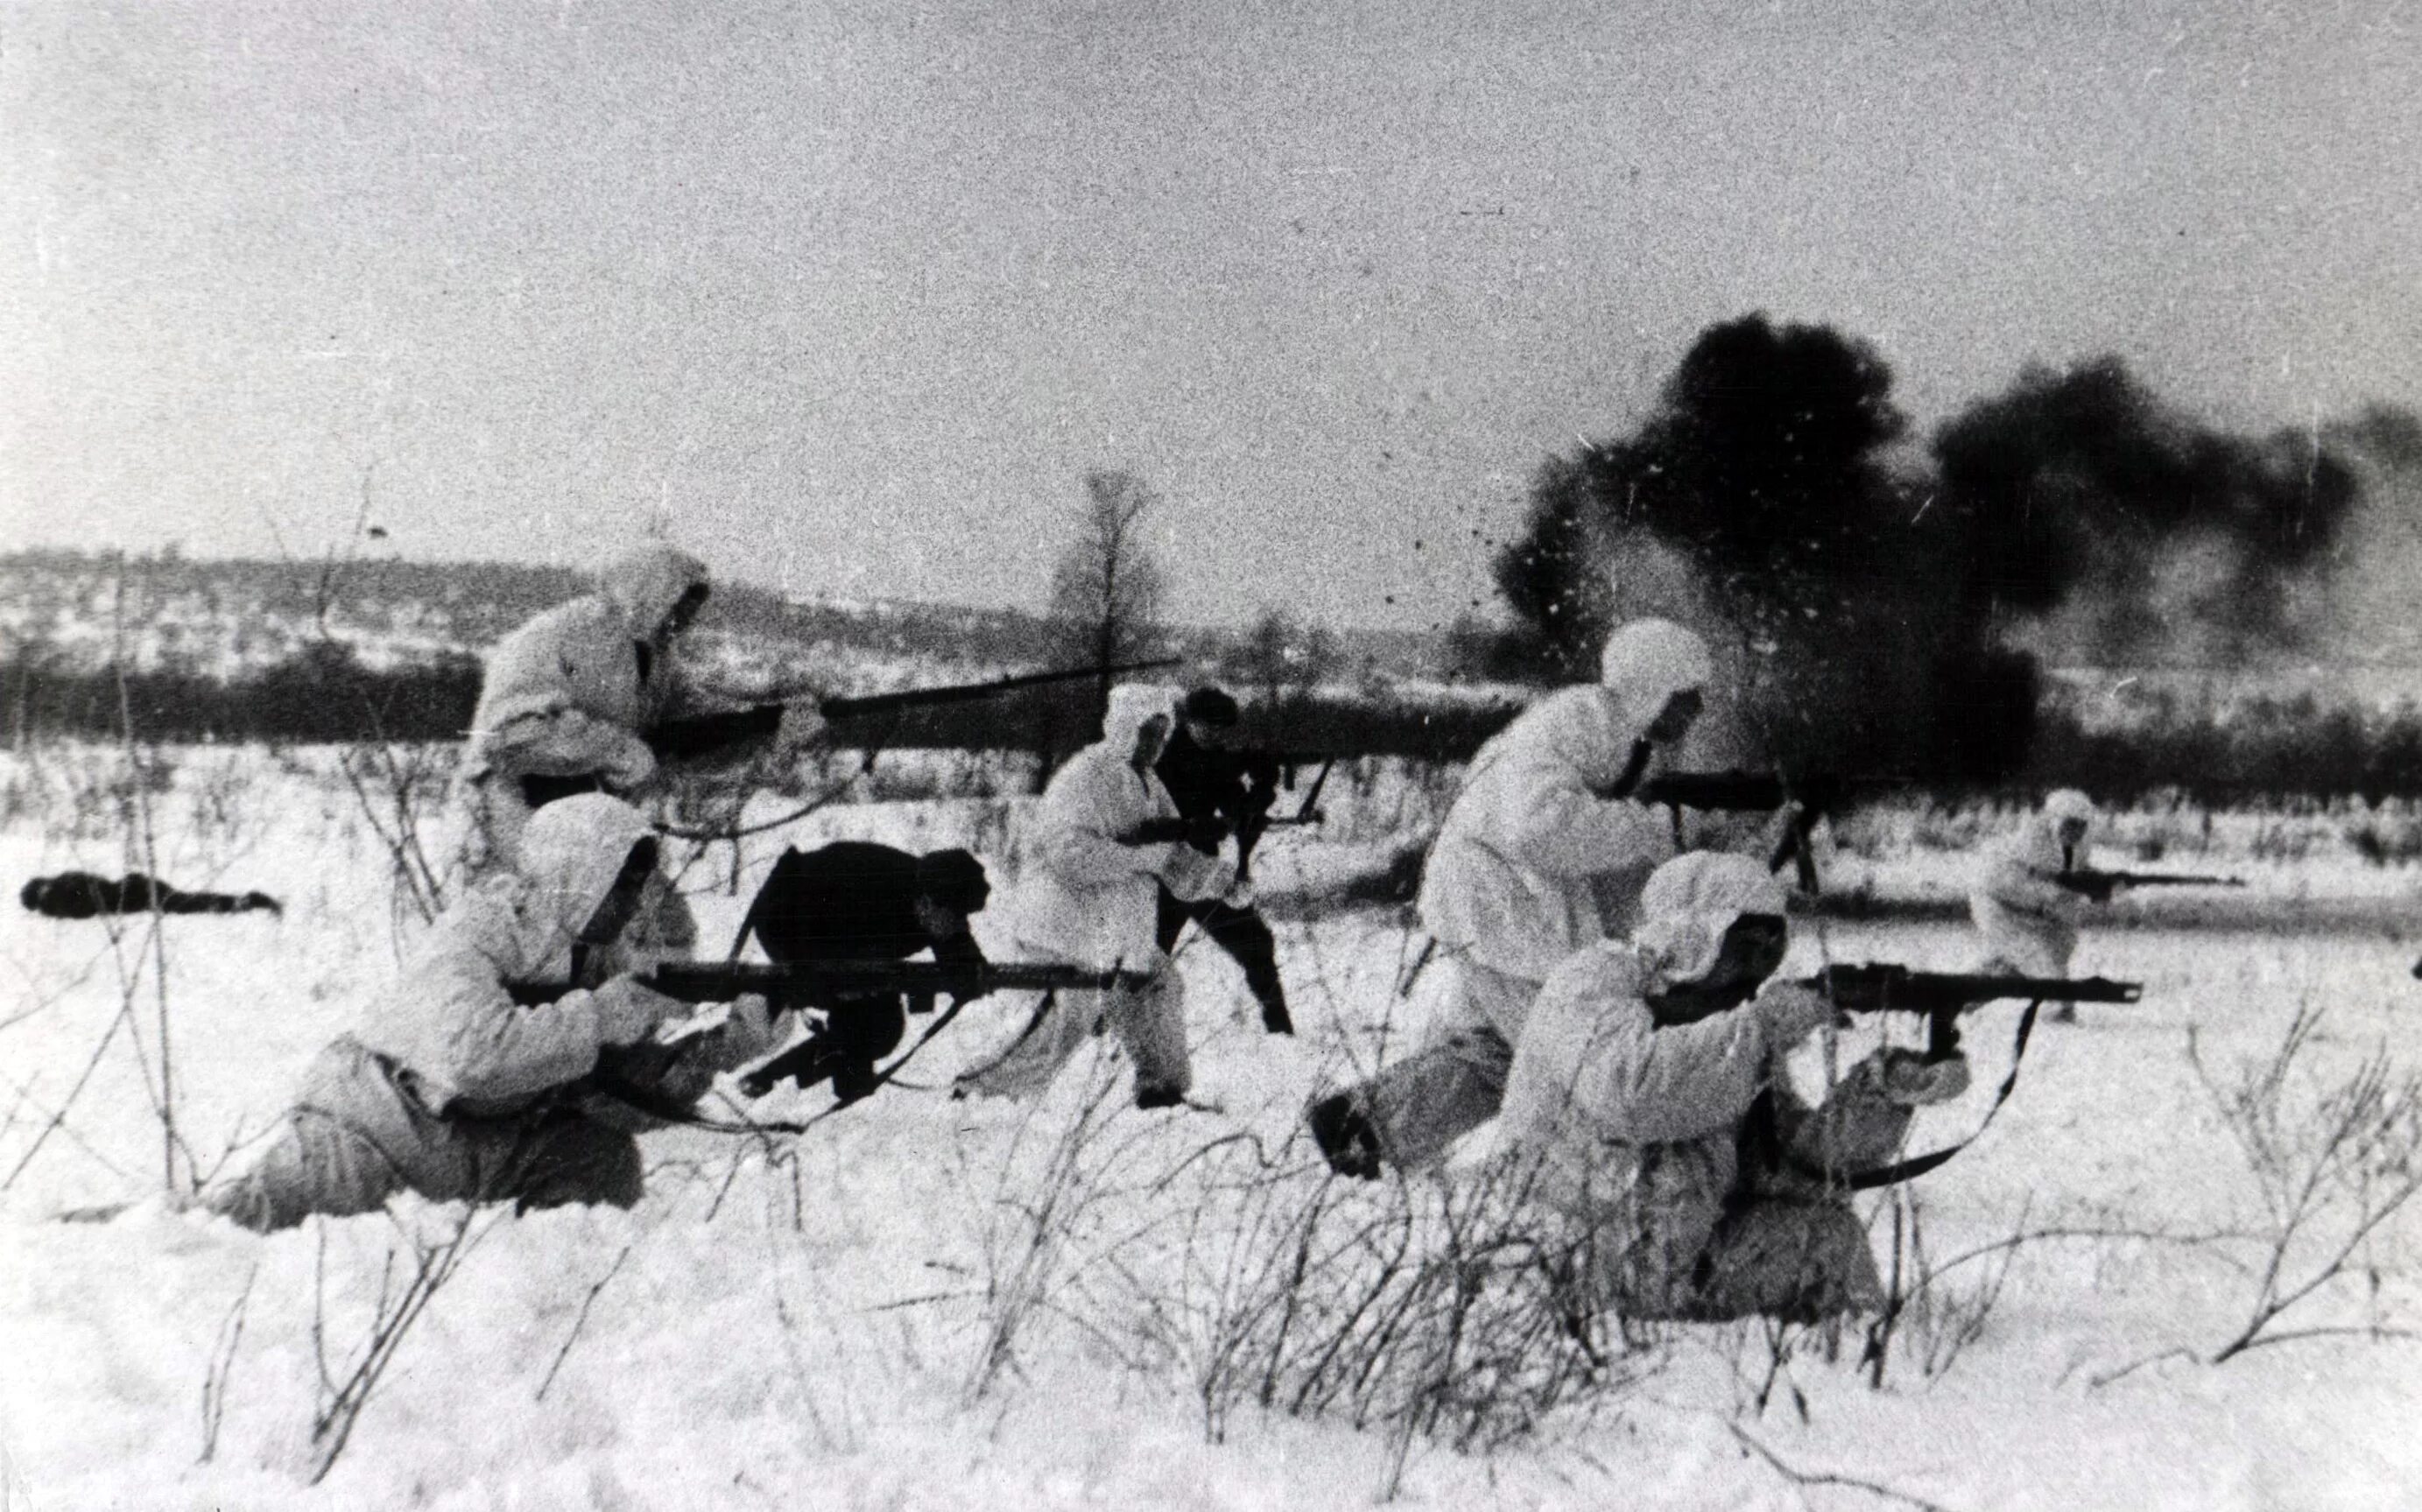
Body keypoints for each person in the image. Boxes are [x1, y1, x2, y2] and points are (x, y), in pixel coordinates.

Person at [199, 795, 782, 1231]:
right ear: (580, 875)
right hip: (370, 1129)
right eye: (621, 884)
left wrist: (721, 1048)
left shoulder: (592, 959)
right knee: (215, 1235)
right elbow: (472, 1057)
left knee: (601, 1158)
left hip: (469, 1148)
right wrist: (598, 1017)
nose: (633, 902)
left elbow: (613, 1096)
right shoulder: (481, 928)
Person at [1307, 618, 1717, 1178]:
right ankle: (1569, 1182)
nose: (1698, 710)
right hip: (1502, 907)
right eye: (1687, 694)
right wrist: (1658, 830)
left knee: (1500, 1055)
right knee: (1574, 1055)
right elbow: (1539, 828)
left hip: (1498, 904)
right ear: (1653, 688)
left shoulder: (1601, 728)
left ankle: (1361, 1127)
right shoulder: (1582, 724)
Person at [1499, 851, 1971, 1325]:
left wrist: (1885, 1091)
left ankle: (1862, 1354)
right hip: (1578, 1256)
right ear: (1693, 933)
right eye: (1745, 947)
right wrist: (1759, 1030)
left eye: (1772, 949)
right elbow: (1632, 1093)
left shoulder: (1731, 1027)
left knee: (1835, 1243)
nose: (1758, 968)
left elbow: (1791, 1160)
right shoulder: (1591, 982)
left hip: (1677, 1252)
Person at [456, 542, 824, 884]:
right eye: (678, 608)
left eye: (689, 612)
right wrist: (619, 751)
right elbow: (509, 733)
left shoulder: (652, 656)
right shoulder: (564, 636)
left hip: (586, 825)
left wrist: (772, 722)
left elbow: (690, 720)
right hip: (510, 815)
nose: (685, 623)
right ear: (651, 594)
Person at [953, 684, 1233, 1110]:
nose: (1154, 745)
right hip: (1060, 923)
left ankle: (1162, 1088)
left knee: (1157, 985)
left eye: (1161, 735)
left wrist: (1223, 882)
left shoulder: (1149, 785)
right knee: (1071, 1015)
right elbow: (1072, 856)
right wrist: (1145, 857)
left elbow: (1173, 858)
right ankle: (977, 1089)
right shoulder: (1086, 776)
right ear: (1123, 728)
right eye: (1146, 733)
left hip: (1111, 929)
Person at [733, 841, 994, 1104]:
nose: (955, 924)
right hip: (790, 919)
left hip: (841, 935)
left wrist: (969, 971)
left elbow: (954, 944)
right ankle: (825, 1090)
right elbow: (816, 952)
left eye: (961, 917)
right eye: (950, 915)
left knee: (879, 1028)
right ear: (927, 900)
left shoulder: (936, 897)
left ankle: (773, 1078)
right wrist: (821, 984)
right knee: (866, 1022)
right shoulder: (872, 894)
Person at [1153, 686, 1293, 1035]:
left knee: (1256, 944)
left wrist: (1263, 788)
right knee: (1145, 963)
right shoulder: (1161, 758)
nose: (1214, 734)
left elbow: (1238, 811)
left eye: (1220, 728)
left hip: (1201, 875)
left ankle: (1281, 1032)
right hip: (1159, 877)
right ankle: (1097, 1036)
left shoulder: (1216, 759)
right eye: (1208, 725)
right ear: (1189, 721)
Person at [1968, 788, 2113, 1023]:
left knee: (2030, 960)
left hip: (2038, 911)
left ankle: (1962, 997)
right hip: (1999, 908)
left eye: (2081, 825)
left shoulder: (2078, 845)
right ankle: (2056, 1010)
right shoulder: (2027, 844)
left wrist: (2099, 883)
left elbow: (2074, 874)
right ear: (2052, 820)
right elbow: (2004, 885)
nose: (2075, 831)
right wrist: (2056, 894)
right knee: (2036, 960)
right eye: (2069, 824)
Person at [20, 871, 281, 918]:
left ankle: (244, 902)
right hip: (133, 890)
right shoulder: (62, 890)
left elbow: (92, 897)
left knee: (186, 903)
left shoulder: (60, 897)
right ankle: (243, 902)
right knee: (187, 902)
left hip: (134, 894)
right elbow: (92, 886)